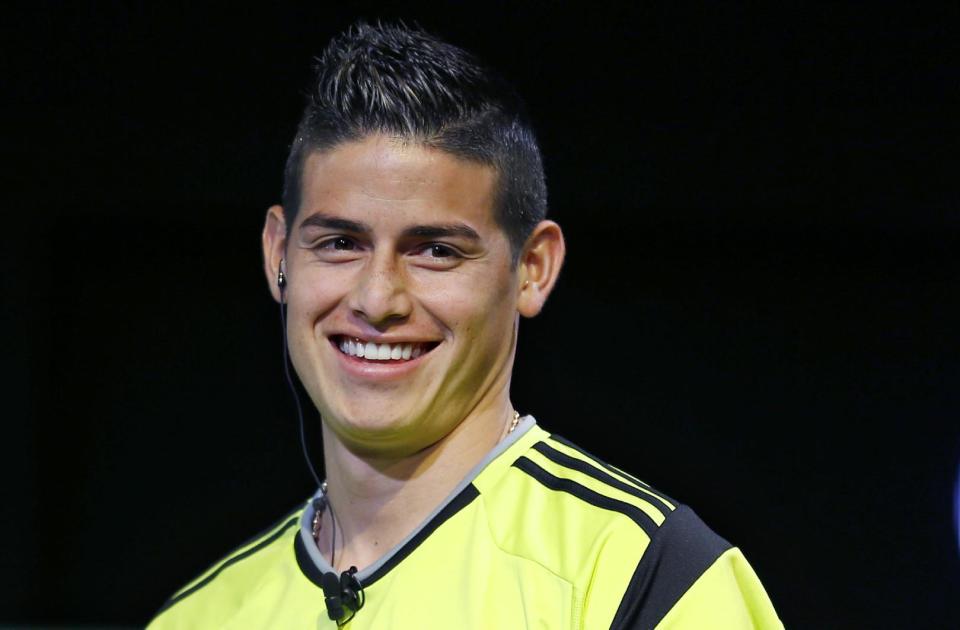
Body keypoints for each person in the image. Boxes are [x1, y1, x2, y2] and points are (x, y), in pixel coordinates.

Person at [148, 22, 782, 629]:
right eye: (340, 242)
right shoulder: (197, 618)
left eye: (436, 251)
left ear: (532, 269)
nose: (378, 298)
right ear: (277, 253)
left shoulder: (643, 578)